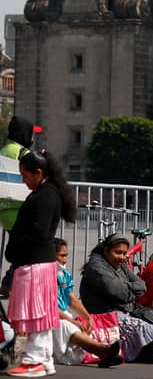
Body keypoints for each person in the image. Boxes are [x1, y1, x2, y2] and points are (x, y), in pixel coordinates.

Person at [5, 149, 90, 377]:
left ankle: (35, 361)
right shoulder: (48, 192)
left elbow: (38, 232)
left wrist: (16, 247)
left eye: (25, 176)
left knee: (35, 313)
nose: (24, 181)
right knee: (39, 313)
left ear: (39, 172)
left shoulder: (45, 195)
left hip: (35, 263)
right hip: (38, 263)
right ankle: (43, 359)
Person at [80, 232, 153, 366]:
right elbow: (117, 291)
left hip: (124, 312)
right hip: (104, 316)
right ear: (106, 251)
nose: (122, 257)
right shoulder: (96, 267)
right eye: (117, 252)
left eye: (124, 253)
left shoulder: (120, 266)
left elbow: (142, 286)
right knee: (138, 326)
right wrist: (130, 290)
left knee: (143, 329)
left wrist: (126, 289)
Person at [47, 238, 125, 368]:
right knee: (64, 325)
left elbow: (71, 298)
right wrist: (73, 321)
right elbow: (50, 307)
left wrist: (87, 318)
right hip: (50, 318)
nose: (65, 260)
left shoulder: (63, 274)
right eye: (62, 256)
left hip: (63, 315)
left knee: (79, 325)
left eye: (66, 255)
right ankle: (105, 350)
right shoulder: (45, 275)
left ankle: (104, 353)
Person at [0, 117, 40, 232]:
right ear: (24, 133)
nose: (32, 138)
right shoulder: (24, 153)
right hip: (20, 210)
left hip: (4, 210)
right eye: (31, 134)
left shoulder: (3, 150)